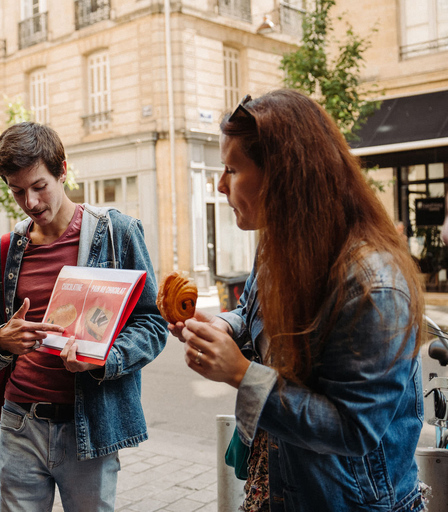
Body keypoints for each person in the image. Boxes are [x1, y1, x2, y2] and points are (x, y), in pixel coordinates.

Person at [170, 90, 427, 511]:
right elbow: (254, 315)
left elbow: (354, 429)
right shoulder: (278, 247)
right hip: (282, 486)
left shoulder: (374, 286)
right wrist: (224, 327)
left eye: (232, 169)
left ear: (282, 175)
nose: (220, 185)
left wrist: (240, 374)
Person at [0, 122, 167, 511]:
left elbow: (152, 324)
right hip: (20, 422)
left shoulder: (117, 233)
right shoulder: (8, 249)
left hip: (89, 426)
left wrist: (103, 359)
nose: (29, 202)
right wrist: (1, 341)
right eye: (16, 191)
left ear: (63, 170)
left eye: (39, 186)